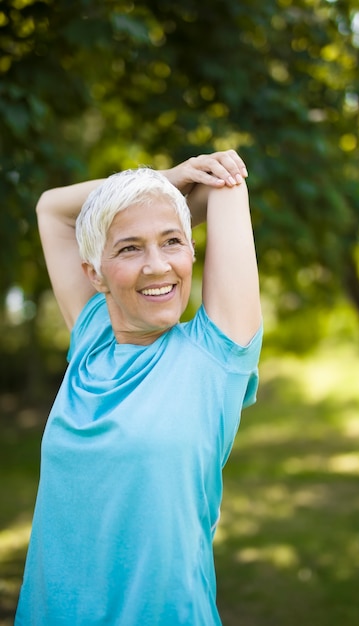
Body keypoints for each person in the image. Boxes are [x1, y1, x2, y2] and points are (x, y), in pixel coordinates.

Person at [15, 150, 262, 626]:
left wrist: (162, 192)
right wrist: (161, 180)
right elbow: (51, 208)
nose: (157, 266)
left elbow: (227, 184)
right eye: (129, 248)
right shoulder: (91, 337)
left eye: (172, 241)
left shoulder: (215, 356)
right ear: (95, 274)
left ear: (192, 251)